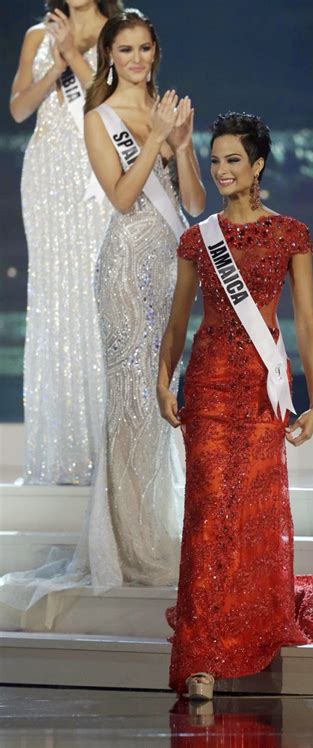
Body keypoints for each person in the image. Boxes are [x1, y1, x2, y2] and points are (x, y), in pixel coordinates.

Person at [157, 112, 313, 700]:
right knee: (208, 514)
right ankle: (202, 654)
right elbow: (179, 320)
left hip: (264, 391)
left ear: (257, 165)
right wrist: (164, 378)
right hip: (208, 387)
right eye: (215, 160)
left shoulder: (290, 233)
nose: (222, 170)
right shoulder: (197, 237)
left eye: (234, 159)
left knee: (253, 512)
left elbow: (306, 322)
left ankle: (250, 624)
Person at [0, 9, 205, 617]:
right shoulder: (99, 116)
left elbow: (192, 202)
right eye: (127, 49)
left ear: (154, 54)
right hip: (122, 269)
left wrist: (184, 146)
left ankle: (157, 524)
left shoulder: (167, 112)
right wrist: (153, 140)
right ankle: (124, 541)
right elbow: (120, 196)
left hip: (169, 265)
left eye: (145, 49)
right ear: (110, 56)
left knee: (163, 398)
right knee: (130, 400)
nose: (137, 59)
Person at [10, 0, 123, 485]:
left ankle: (108, 449)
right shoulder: (38, 34)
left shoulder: (120, 30)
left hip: (96, 174)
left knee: (95, 297)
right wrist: (53, 62)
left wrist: (75, 57)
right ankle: (61, 451)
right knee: (55, 300)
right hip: (47, 176)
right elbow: (18, 109)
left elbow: (119, 108)